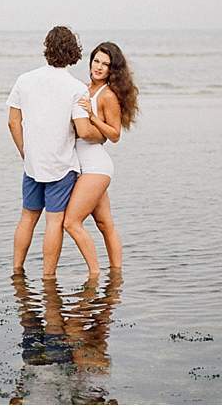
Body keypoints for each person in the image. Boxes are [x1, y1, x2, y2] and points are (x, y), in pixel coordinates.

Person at [7, 26, 101, 279]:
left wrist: (25, 152)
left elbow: (13, 122)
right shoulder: (76, 88)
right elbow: (83, 129)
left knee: (27, 217)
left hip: (33, 164)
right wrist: (104, 133)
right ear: (73, 52)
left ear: (47, 48)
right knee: (54, 222)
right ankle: (48, 276)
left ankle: (17, 269)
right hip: (61, 164)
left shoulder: (24, 79)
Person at [63, 42, 139, 276]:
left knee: (70, 222)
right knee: (105, 224)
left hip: (96, 166)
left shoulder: (107, 95)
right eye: (96, 61)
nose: (99, 67)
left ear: (111, 70)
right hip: (83, 166)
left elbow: (114, 135)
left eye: (105, 64)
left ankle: (94, 274)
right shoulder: (84, 89)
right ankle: (117, 274)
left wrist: (93, 117)